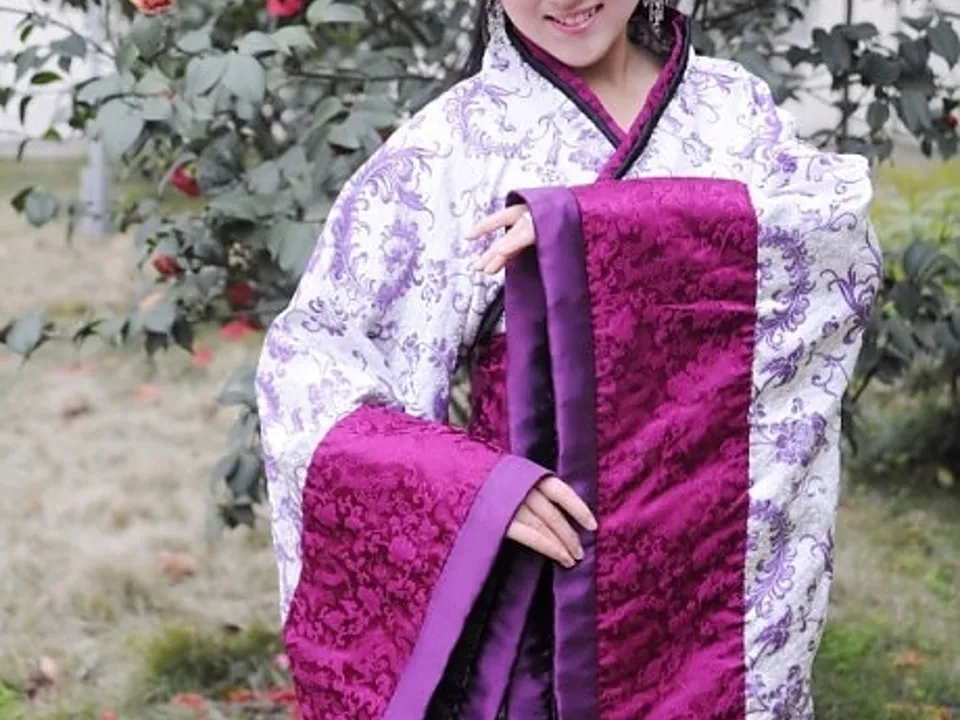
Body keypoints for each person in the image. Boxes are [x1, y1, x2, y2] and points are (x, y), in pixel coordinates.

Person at [255, 0, 883, 717]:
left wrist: (589, 229)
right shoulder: (453, 144)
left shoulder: (732, 109)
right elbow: (311, 366)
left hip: (722, 574)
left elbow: (837, 242)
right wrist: (477, 489)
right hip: (553, 589)